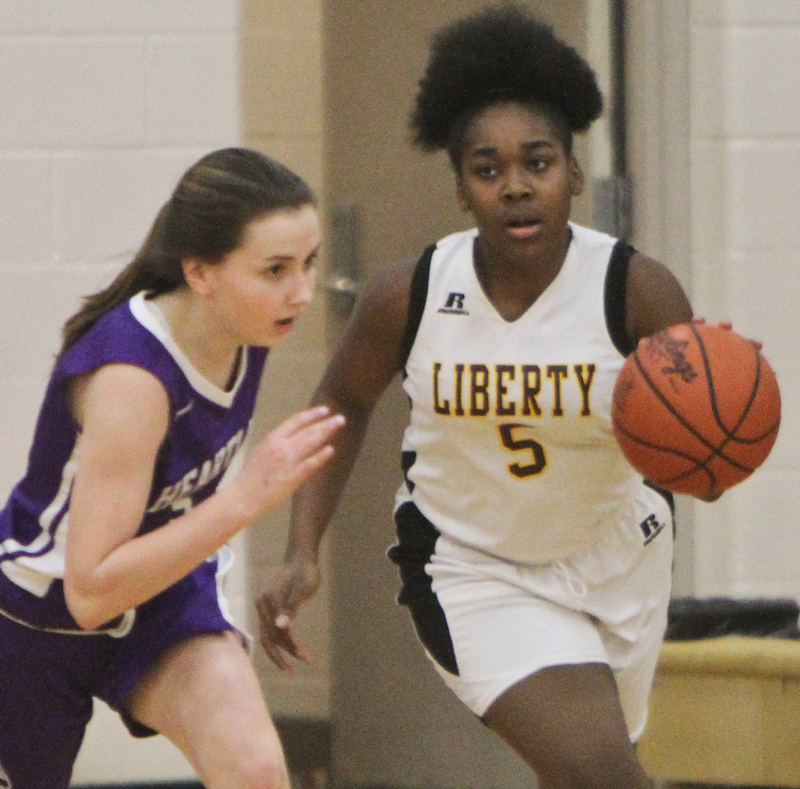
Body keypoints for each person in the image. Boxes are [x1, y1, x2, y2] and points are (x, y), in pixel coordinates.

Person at [258, 6, 706, 789]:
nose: (516, 187)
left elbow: (698, 432)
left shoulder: (636, 291)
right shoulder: (413, 294)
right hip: (473, 564)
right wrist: (302, 546)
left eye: (537, 162)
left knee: (580, 772)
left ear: (571, 169)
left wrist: (709, 445)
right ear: (461, 189)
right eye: (488, 169)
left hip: (619, 556)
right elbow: (343, 403)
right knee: (607, 774)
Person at [0, 147, 344, 789]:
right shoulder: (132, 378)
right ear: (201, 272)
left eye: (309, 263)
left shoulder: (249, 325)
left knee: (256, 772)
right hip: (40, 613)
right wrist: (245, 498)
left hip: (163, 595)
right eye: (275, 269)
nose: (301, 290)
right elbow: (91, 592)